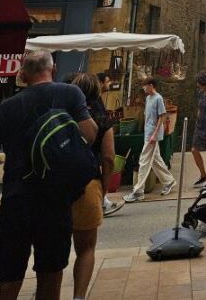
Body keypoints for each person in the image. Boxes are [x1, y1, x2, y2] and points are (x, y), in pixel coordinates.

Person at [0, 51, 97, 300]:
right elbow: (89, 133)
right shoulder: (70, 94)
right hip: (55, 200)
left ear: (23, 75)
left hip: (16, 201)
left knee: (9, 275)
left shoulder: (5, 108)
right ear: (53, 70)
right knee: (51, 273)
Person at [70, 74, 116, 300]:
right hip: (88, 183)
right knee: (86, 248)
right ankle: (78, 296)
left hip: (55, 186)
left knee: (52, 249)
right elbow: (108, 158)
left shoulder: (61, 115)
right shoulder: (102, 119)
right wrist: (104, 186)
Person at [123, 78, 175, 202]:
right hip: (148, 133)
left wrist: (154, 135)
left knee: (144, 161)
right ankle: (169, 181)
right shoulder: (148, 98)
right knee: (156, 160)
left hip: (153, 134)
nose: (144, 88)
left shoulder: (158, 98)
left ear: (151, 85)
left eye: (145, 86)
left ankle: (138, 191)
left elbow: (162, 117)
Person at [94, 72, 123, 218]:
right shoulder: (94, 101)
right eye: (107, 81)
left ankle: (103, 201)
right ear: (100, 83)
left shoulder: (97, 100)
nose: (109, 84)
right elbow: (109, 157)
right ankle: (101, 201)